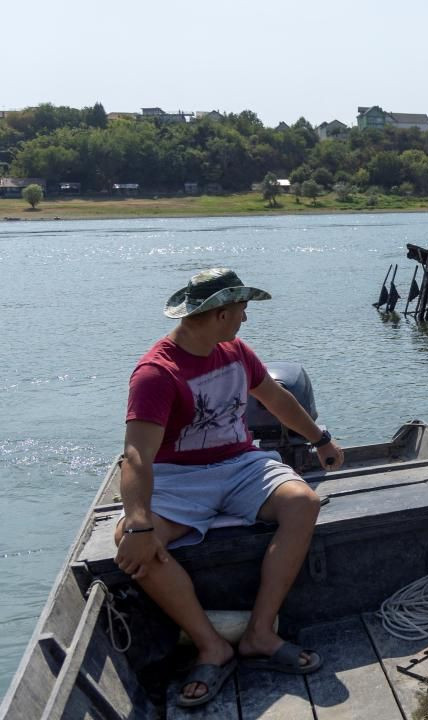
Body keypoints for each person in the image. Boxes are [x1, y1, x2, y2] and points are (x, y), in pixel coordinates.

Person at [114, 268, 345, 708]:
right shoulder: (155, 373)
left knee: (302, 503)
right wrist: (140, 523)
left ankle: (260, 633)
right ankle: (211, 646)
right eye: (242, 310)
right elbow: (137, 455)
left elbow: (276, 400)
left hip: (241, 464)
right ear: (219, 314)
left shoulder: (235, 351)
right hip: (178, 479)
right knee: (130, 541)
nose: (245, 319)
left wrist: (320, 439)